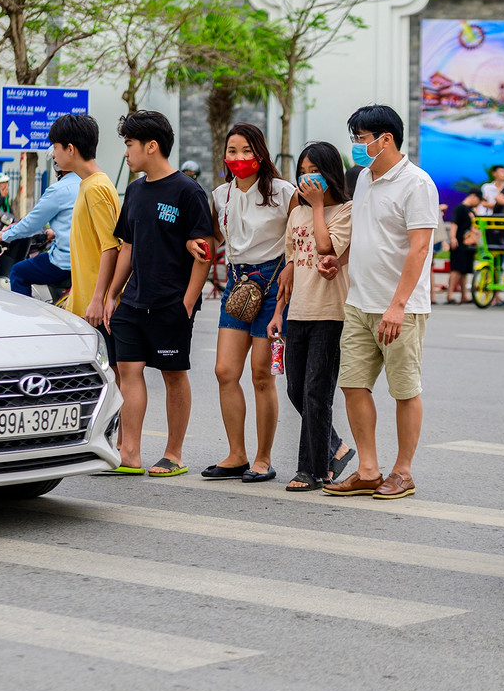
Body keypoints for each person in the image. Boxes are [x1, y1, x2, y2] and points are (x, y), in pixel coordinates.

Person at [320, 104, 438, 501]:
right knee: (353, 385)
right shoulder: (364, 179)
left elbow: (419, 249)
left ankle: (403, 472)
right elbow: (366, 234)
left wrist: (398, 305)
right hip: (359, 302)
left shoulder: (417, 184)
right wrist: (339, 260)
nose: (355, 145)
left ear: (385, 139)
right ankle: (369, 469)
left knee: (404, 390)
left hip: (399, 307)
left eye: (360, 138)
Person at [103, 110, 211, 477]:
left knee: (172, 374)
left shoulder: (188, 191)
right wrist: (111, 295)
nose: (126, 153)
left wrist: (187, 304)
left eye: (129, 145)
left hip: (171, 303)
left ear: (151, 146)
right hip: (132, 303)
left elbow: (204, 251)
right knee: (128, 371)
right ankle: (129, 452)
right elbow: (127, 248)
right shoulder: (134, 190)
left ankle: (174, 453)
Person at [193, 123, 297, 483]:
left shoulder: (285, 193)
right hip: (238, 284)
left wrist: (291, 269)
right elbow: (214, 236)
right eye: (232, 151)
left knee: (261, 374)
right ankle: (236, 454)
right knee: (224, 370)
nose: (239, 158)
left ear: (261, 154)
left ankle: (262, 458)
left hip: (273, 283)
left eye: (246, 151)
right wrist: (198, 243)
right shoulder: (220, 194)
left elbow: (300, 237)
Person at [266, 141, 356, 491]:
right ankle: (336, 448)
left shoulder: (346, 211)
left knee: (317, 392)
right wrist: (277, 313)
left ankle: (312, 470)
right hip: (298, 313)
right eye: (302, 172)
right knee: (295, 389)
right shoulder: (296, 214)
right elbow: (290, 267)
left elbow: (325, 246)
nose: (307, 178)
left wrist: (318, 206)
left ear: (330, 173)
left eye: (313, 171)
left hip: (331, 314)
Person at [46, 113, 121, 375]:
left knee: (109, 377)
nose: (53, 154)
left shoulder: (95, 188)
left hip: (96, 309)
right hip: (86, 302)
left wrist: (98, 299)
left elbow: (110, 247)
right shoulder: (89, 184)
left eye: (55, 147)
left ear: (70, 148)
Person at [0, 168, 80, 297]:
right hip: (82, 261)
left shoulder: (59, 190)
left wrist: (4, 235)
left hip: (64, 262)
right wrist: (55, 232)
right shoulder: (89, 184)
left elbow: (31, 224)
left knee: (18, 272)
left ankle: (24, 315)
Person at [446, 188, 482, 305]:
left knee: (464, 270)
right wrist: (453, 238)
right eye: (479, 199)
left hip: (469, 245)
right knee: (456, 269)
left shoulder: (471, 211)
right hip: (459, 242)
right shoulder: (460, 208)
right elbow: (454, 223)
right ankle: (450, 295)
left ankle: (464, 295)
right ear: (473, 196)